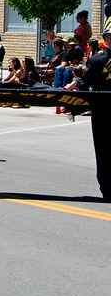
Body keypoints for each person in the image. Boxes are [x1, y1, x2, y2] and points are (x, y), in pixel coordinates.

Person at [64, 18, 111, 202]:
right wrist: (73, 89)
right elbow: (86, 83)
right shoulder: (97, 59)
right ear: (105, 38)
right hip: (103, 111)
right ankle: (107, 189)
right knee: (104, 151)